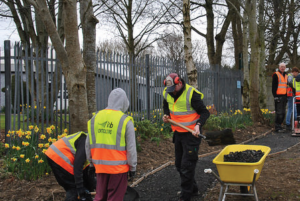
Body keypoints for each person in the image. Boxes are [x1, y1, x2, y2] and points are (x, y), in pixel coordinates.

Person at [162, 73, 210, 201]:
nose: (172, 92)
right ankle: (193, 189)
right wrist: (166, 115)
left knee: (186, 166)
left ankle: (186, 196)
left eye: (174, 89)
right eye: (170, 90)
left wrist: (198, 125)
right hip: (178, 133)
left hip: (191, 135)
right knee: (179, 164)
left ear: (180, 83)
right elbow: (166, 105)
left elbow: (205, 112)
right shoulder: (167, 92)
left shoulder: (191, 94)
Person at [86, 88, 137, 201]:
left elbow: (88, 144)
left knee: (100, 197)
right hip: (118, 168)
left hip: (99, 166)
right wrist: (133, 167)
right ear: (124, 102)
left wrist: (91, 163)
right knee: (114, 198)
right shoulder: (125, 121)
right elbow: (131, 148)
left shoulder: (95, 118)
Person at [45, 131, 96, 201]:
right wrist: (80, 188)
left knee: (84, 188)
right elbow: (78, 166)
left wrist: (96, 187)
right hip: (58, 156)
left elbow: (89, 174)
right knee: (74, 188)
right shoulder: (86, 142)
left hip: (59, 155)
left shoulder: (93, 145)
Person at [272, 63, 288, 132]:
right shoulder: (276, 74)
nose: (282, 68)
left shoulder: (286, 75)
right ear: (279, 67)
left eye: (284, 67)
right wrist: (275, 96)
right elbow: (274, 86)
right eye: (281, 67)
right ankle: (277, 127)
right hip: (278, 96)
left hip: (284, 96)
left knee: (283, 112)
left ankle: (280, 125)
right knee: (279, 112)